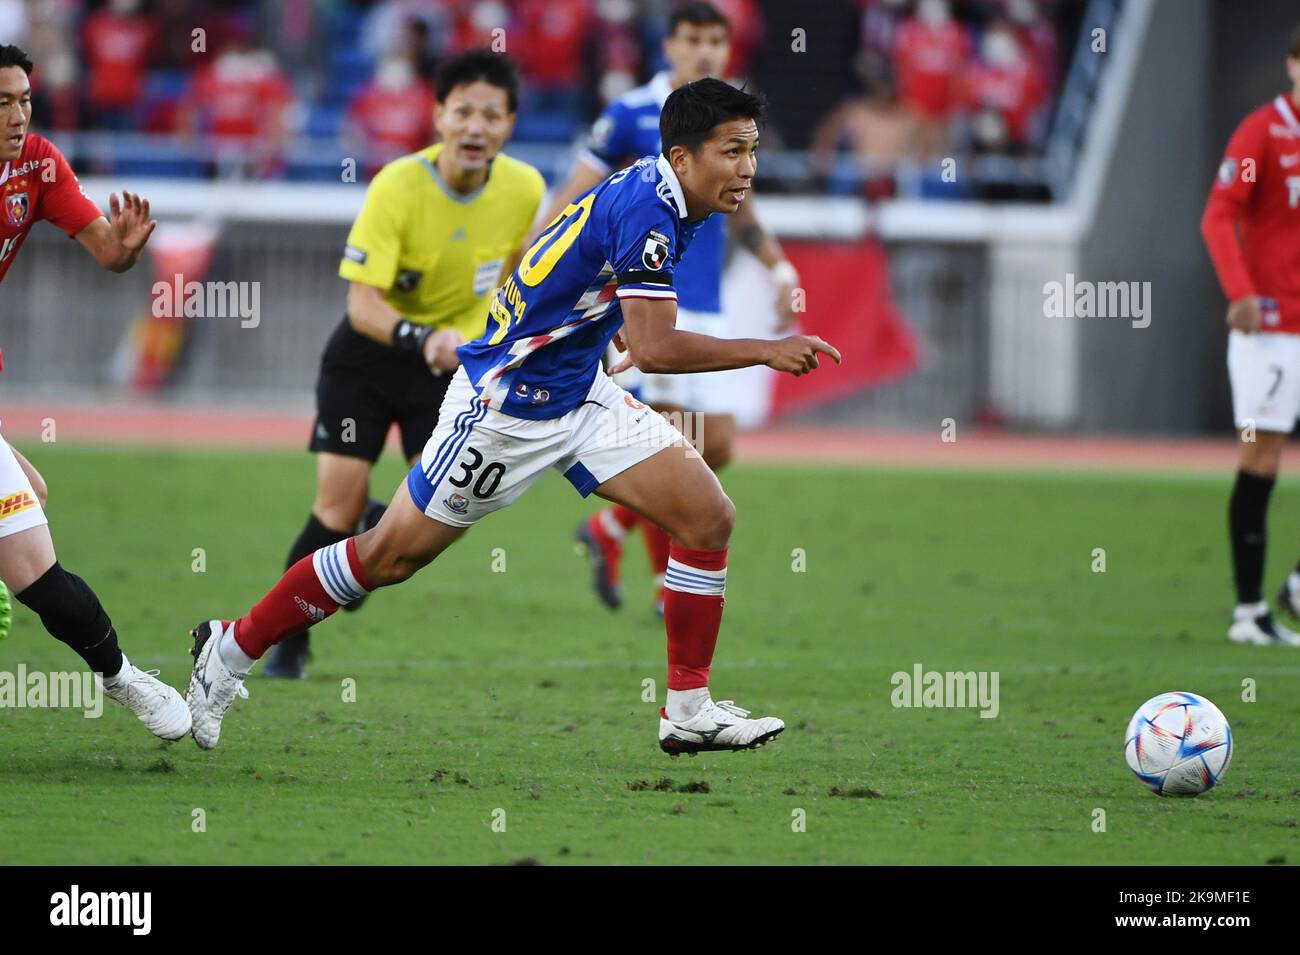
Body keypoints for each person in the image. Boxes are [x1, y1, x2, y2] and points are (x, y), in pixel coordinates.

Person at [185, 78, 840, 756]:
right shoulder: (653, 206)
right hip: (505, 407)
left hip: (580, 392)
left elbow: (572, 258)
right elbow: (657, 347)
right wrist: (766, 347)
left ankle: (688, 709)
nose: (748, 168)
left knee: (708, 515)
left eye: (753, 151)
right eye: (733, 151)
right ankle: (230, 646)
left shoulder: (668, 192)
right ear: (682, 156)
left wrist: (595, 322)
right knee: (389, 555)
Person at [263, 50, 544, 679]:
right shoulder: (397, 184)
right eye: (463, 112)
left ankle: (374, 530)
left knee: (451, 510)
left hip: (450, 372)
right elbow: (362, 304)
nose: (475, 127)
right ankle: (289, 641)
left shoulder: (525, 188)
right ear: (438, 115)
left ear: (509, 124)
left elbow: (518, 278)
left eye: (490, 115)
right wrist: (424, 337)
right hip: (367, 360)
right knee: (335, 507)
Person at [546, 2, 798, 616]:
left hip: (706, 297)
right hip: (647, 301)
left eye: (717, 39)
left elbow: (744, 209)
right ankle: (668, 581)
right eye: (694, 39)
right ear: (670, 45)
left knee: (718, 443)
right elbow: (571, 201)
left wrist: (779, 267)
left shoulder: (725, 118)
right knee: (672, 439)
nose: (707, 50)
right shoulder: (633, 114)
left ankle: (611, 531)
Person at [0, 44, 189, 737]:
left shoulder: (38, 164)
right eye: (3, 103)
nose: (19, 115)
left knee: (33, 528)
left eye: (24, 99)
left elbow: (107, 252)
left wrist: (128, 246)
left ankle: (124, 678)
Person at [1200, 24, 1300, 646]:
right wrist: (1238, 292)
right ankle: (1248, 612)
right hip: (1270, 327)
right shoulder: (1261, 131)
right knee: (1261, 456)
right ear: (1293, 62)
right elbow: (1219, 212)